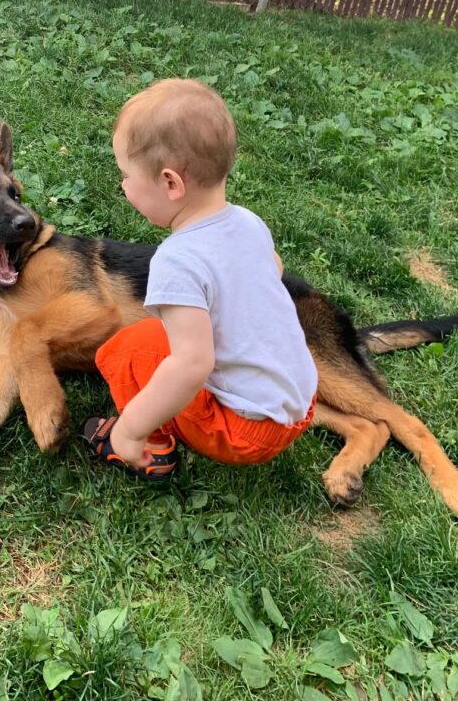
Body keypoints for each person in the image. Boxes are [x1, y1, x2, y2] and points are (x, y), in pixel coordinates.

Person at [82, 78, 317, 481]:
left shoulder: (178, 260)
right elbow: (272, 269)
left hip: (247, 431)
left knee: (128, 349)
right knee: (165, 339)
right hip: (300, 401)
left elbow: (193, 364)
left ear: (171, 183)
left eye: (126, 175)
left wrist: (130, 429)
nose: (122, 185)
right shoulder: (248, 221)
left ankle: (146, 444)